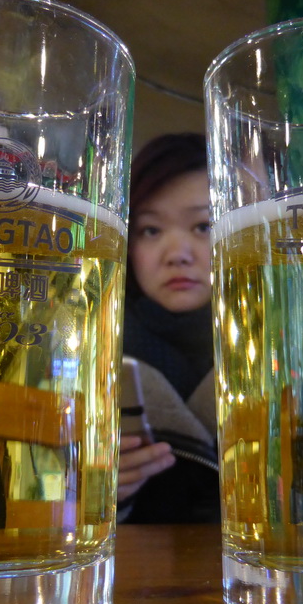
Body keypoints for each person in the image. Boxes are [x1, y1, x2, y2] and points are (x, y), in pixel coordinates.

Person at [116, 133, 220, 523]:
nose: (177, 254)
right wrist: (96, 490)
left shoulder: (272, 346)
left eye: (204, 226)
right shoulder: (91, 351)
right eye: (151, 231)